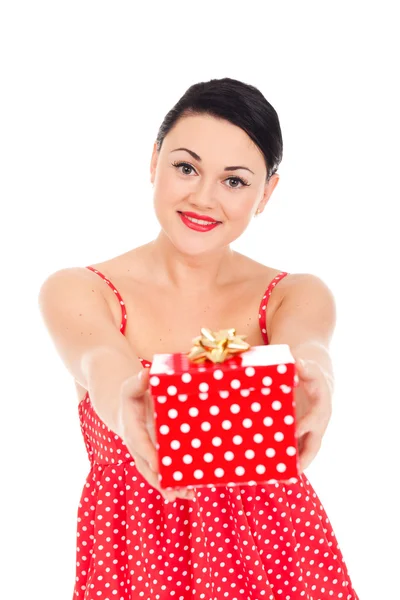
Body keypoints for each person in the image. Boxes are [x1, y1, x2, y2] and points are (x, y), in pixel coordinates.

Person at [39, 77, 359, 599]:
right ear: (154, 162)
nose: (203, 198)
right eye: (186, 167)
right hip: (135, 559)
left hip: (277, 558)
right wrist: (129, 412)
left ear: (266, 193)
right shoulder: (81, 289)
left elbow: (309, 349)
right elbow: (101, 362)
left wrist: (317, 379)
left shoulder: (291, 293)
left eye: (234, 181)